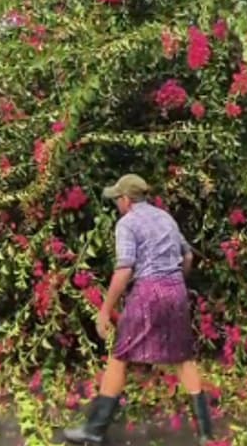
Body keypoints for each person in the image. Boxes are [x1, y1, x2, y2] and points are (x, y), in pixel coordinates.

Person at [64, 174, 213, 444]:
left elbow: (123, 269)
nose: (117, 205)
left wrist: (104, 309)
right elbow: (187, 255)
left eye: (117, 199)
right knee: (183, 359)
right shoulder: (165, 218)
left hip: (147, 294)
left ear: (125, 199)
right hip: (176, 292)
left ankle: (94, 430)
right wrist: (176, 280)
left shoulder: (127, 223)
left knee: (119, 356)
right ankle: (206, 435)